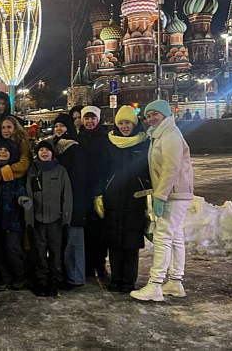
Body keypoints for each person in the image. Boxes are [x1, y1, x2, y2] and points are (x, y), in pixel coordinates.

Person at [131, 100, 194, 302]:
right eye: (148, 115)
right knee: (175, 236)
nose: (151, 118)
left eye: (155, 114)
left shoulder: (170, 135)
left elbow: (171, 168)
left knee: (162, 237)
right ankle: (175, 281)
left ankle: (155, 285)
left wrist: (160, 195)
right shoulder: (161, 134)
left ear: (165, 115)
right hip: (175, 192)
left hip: (174, 193)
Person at [96, 105, 150, 294]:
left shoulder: (144, 142)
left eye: (128, 122)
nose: (124, 126)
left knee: (131, 243)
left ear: (134, 124)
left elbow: (150, 168)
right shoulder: (109, 142)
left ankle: (128, 280)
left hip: (135, 197)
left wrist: (146, 186)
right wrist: (99, 193)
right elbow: (102, 170)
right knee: (114, 241)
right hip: (113, 196)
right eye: (121, 123)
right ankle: (116, 278)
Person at [26, 141, 73, 297]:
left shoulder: (60, 171)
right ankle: (41, 282)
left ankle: (53, 281)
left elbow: (67, 195)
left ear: (52, 153)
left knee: (55, 252)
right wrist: (29, 219)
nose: (44, 152)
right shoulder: (32, 171)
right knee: (39, 253)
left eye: (47, 150)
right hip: (38, 220)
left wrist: (66, 218)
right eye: (41, 150)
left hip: (55, 220)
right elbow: (28, 195)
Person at [51, 114, 87, 289]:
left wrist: (73, 200)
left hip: (74, 199)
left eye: (62, 126)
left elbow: (79, 177)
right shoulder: (53, 146)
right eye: (56, 125)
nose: (59, 129)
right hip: (57, 200)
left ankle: (75, 276)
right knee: (62, 241)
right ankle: (64, 274)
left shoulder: (74, 147)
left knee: (74, 240)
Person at [0, 138, 31, 291]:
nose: (2, 152)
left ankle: (20, 275)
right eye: (0, 150)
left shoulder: (14, 173)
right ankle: (5, 277)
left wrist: (23, 200)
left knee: (12, 248)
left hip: (12, 219)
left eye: (6, 150)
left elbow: (20, 189)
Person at [77, 105, 110, 279]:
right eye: (86, 118)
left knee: (100, 229)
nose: (89, 122)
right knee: (85, 228)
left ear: (98, 119)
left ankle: (100, 262)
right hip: (82, 189)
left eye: (92, 118)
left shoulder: (106, 138)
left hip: (100, 188)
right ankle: (87, 264)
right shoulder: (77, 139)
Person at [0, 116, 32, 180]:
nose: (5, 130)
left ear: (15, 128)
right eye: (3, 128)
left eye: (9, 127)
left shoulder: (22, 141)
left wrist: (5, 170)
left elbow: (25, 163)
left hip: (18, 179)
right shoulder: (0, 142)